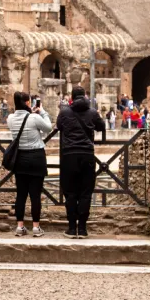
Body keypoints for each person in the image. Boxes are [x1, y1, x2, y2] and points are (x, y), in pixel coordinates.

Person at [57, 86, 106, 238]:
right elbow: (101, 126)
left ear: (71, 97)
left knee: (70, 193)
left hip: (69, 155)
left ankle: (72, 228)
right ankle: (83, 229)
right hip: (87, 155)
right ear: (85, 96)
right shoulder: (92, 112)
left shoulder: (64, 112)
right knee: (85, 192)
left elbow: (59, 126)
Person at [6, 92, 53, 238]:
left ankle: (20, 227)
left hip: (19, 158)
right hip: (36, 158)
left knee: (21, 194)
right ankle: (36, 227)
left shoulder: (10, 118)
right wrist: (42, 112)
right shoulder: (34, 117)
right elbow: (48, 128)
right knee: (35, 195)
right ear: (27, 103)